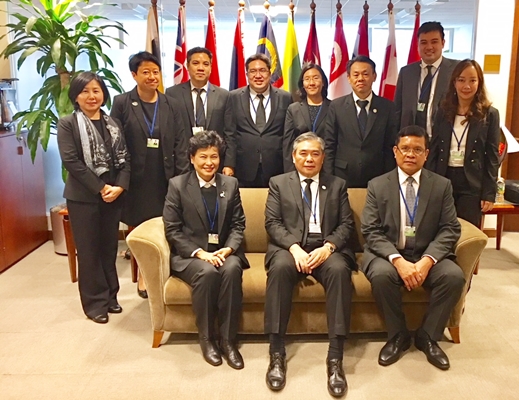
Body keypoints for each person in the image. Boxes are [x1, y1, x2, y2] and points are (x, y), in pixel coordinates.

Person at [361, 125, 465, 371]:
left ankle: (428, 336)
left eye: (417, 150)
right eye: (405, 148)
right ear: (395, 151)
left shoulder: (441, 185)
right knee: (381, 275)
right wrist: (398, 261)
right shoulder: (377, 185)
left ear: (426, 154)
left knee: (454, 276)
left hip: (426, 253)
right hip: (388, 254)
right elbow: (371, 230)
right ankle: (398, 336)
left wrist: (427, 260)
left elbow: (450, 228)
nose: (410, 154)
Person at [264, 132, 355, 397]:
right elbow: (272, 223)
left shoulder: (337, 185)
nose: (309, 159)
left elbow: (346, 224)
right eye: (303, 153)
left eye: (315, 153)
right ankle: (276, 353)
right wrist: (294, 248)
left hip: (325, 248)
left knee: (339, 270)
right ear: (293, 157)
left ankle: (335, 357)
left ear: (323, 158)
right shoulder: (279, 183)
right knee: (280, 269)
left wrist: (328, 247)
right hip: (290, 248)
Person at [163, 131, 248, 369]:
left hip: (223, 252)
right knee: (208, 272)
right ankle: (207, 339)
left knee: (231, 270)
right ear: (192, 159)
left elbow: (238, 224)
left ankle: (228, 340)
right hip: (193, 255)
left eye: (214, 156)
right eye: (203, 157)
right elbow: (172, 229)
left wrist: (228, 249)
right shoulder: (178, 185)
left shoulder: (230, 184)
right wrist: (200, 254)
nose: (209, 162)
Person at [111, 51, 188, 298]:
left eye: (156, 72)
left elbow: (181, 142)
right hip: (136, 177)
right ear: (134, 75)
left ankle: (166, 268)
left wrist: (181, 178)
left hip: (166, 175)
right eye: (146, 72)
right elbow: (116, 141)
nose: (152, 76)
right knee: (140, 225)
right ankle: (144, 274)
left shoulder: (171, 104)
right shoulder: (122, 102)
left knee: (167, 223)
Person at [57, 72, 130, 324]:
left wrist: (119, 186)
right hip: (84, 197)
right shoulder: (67, 124)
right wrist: (101, 187)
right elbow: (71, 161)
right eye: (85, 91)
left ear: (103, 94)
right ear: (75, 96)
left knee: (108, 248)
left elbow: (125, 158)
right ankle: (94, 303)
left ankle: (111, 296)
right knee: (89, 251)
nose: (91, 96)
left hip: (113, 196)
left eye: (96, 90)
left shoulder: (113, 123)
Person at [427, 59, 501, 227]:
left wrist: (489, 193)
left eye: (472, 80)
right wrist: (428, 183)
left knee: (468, 230)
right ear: (454, 82)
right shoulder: (443, 111)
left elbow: (492, 156)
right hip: (444, 177)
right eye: (461, 80)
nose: (466, 86)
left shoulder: (490, 114)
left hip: (471, 181)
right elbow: (435, 149)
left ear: (479, 83)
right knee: (441, 228)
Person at [323, 55, 397, 188]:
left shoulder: (387, 107)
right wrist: (328, 178)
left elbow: (390, 146)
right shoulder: (336, 106)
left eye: (365, 74)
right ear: (348, 78)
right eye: (356, 75)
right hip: (342, 176)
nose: (360, 78)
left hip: (377, 177)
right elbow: (329, 145)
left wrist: (388, 179)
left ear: (374, 76)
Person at [224, 53, 293, 187]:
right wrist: (229, 164)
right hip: (243, 168)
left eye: (262, 70)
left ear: (270, 73)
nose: (258, 75)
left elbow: (288, 135)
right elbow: (230, 133)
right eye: (253, 71)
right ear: (247, 74)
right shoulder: (233, 97)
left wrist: (289, 167)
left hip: (276, 168)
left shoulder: (285, 98)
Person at [165, 47, 232, 175]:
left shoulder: (223, 95)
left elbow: (230, 133)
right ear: (187, 66)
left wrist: (229, 164)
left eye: (205, 64)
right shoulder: (172, 94)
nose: (201, 68)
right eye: (195, 63)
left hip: (214, 162)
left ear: (211, 67)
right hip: (182, 162)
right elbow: (170, 131)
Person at [394, 21, 459, 136]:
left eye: (434, 42)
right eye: (424, 42)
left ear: (443, 43)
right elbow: (397, 111)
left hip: (443, 139)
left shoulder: (456, 70)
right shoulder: (406, 72)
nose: (429, 47)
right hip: (411, 140)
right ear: (418, 45)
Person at [282, 63, 330, 172]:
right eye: (307, 79)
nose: (311, 83)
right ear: (302, 84)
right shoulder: (294, 109)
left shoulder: (334, 108)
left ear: (323, 82)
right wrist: (291, 173)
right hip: (300, 167)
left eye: (316, 78)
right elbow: (288, 145)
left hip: (326, 167)